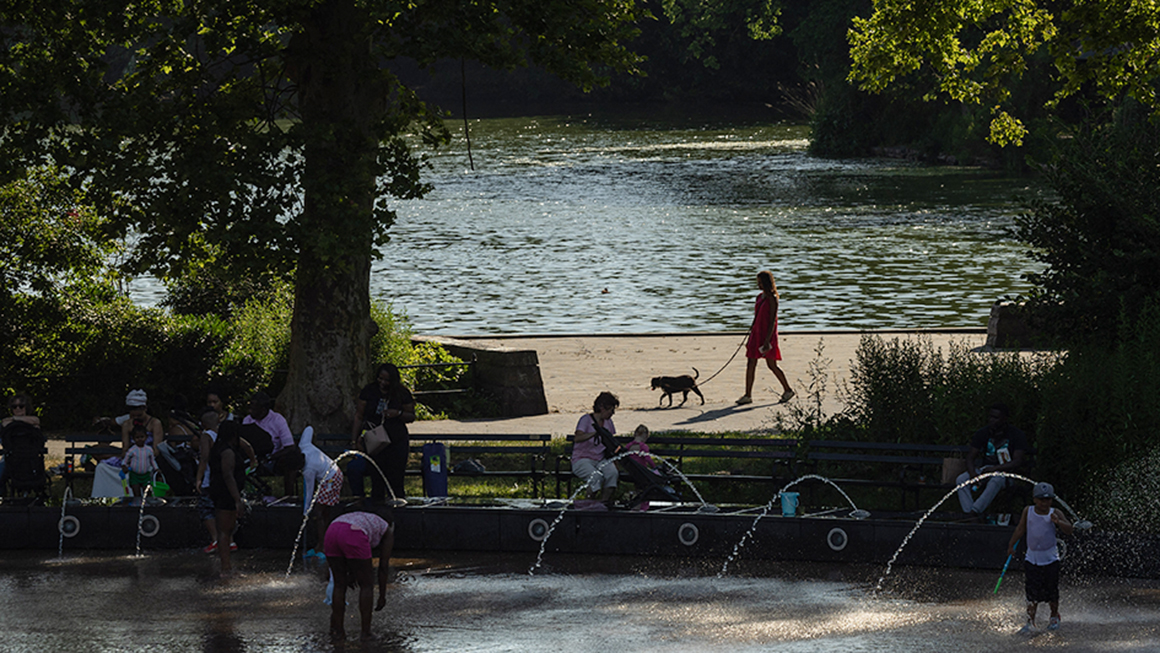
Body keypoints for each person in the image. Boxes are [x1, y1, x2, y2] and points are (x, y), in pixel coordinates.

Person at [1008, 482, 1073, 633]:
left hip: (1050, 558)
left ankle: (1054, 617)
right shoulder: (1028, 511)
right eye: (1041, 499)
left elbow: (1069, 529)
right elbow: (1020, 529)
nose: (1045, 503)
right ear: (1034, 499)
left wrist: (1059, 522)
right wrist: (1011, 545)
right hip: (1032, 558)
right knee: (1031, 592)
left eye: (1048, 499)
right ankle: (1030, 621)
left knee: (1052, 591)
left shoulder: (1055, 512)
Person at [324, 509, 395, 640]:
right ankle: (366, 632)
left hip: (331, 531)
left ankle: (338, 631)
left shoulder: (363, 518)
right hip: (353, 534)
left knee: (339, 584)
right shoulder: (387, 528)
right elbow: (383, 566)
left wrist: (351, 573)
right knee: (367, 585)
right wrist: (382, 596)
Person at [349, 363, 415, 503]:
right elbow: (359, 416)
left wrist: (397, 413)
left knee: (396, 479)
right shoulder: (369, 391)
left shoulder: (402, 393)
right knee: (377, 477)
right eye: (380, 379)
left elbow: (411, 416)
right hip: (375, 440)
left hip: (396, 440)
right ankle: (377, 508)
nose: (383, 383)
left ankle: (397, 508)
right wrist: (354, 441)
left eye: (387, 380)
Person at [957, 403, 1028, 516]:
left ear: (1004, 419)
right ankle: (968, 513)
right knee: (961, 479)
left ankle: (974, 512)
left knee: (997, 480)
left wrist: (995, 468)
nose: (991, 420)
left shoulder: (1016, 434)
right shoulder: (983, 433)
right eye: (990, 417)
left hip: (1006, 473)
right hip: (986, 469)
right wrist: (973, 474)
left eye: (996, 417)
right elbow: (970, 457)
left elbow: (1017, 461)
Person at [737, 270, 794, 406]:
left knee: (771, 365)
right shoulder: (759, 297)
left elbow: (772, 320)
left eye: (761, 283)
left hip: (767, 335)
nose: (759, 286)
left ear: (767, 283)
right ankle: (747, 395)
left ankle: (788, 390)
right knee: (751, 362)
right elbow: (757, 317)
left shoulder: (772, 298)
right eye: (758, 283)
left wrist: (768, 340)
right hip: (756, 333)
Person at [243, 391, 301, 497]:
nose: (250, 411)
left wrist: (270, 457)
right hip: (252, 459)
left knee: (293, 457)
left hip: (273, 459)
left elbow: (290, 446)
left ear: (263, 409)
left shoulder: (278, 420)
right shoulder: (247, 420)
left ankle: (288, 496)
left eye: (254, 409)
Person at [209, 420, 247, 576]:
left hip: (220, 492)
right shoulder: (227, 452)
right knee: (225, 531)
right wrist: (237, 499)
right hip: (226, 494)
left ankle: (226, 566)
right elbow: (228, 475)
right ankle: (226, 568)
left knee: (225, 529)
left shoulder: (218, 448)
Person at [300, 426, 344, 555]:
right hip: (333, 472)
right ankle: (326, 543)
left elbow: (309, 493)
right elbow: (309, 429)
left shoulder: (308, 469)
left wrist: (305, 511)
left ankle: (322, 547)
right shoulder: (304, 445)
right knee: (324, 513)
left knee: (318, 513)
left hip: (332, 478)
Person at [572, 391, 620, 503]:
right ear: (602, 407)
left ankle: (603, 503)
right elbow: (577, 438)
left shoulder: (608, 422)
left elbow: (610, 443)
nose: (612, 413)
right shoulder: (586, 419)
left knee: (612, 474)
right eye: (610, 410)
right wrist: (595, 433)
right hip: (582, 459)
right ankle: (588, 503)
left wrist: (615, 461)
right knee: (596, 477)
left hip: (600, 458)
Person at [121, 424, 158, 498]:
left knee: (147, 494)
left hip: (146, 475)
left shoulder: (149, 450)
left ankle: (146, 508)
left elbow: (152, 461)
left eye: (142, 437)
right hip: (135, 475)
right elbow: (126, 459)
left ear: (146, 437)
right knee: (136, 494)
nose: (140, 439)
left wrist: (156, 469)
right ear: (133, 439)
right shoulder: (132, 449)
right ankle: (136, 507)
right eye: (137, 438)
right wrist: (124, 465)